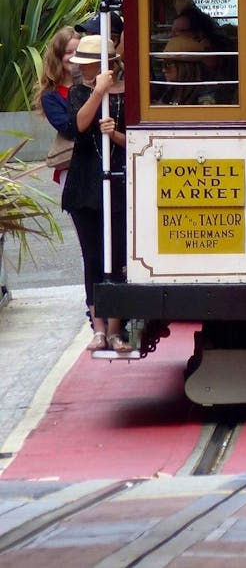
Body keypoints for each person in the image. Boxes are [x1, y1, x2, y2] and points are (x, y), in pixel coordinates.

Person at [63, 33, 129, 353]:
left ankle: (117, 327)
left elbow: (138, 141)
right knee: (92, 257)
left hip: (119, 181)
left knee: (117, 255)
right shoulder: (80, 92)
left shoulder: (130, 93)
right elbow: (78, 125)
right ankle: (98, 327)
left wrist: (114, 133)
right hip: (85, 183)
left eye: (87, 65)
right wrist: (98, 91)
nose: (83, 71)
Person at [32, 26, 80, 183]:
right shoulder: (50, 96)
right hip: (72, 168)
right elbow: (69, 129)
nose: (74, 57)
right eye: (68, 52)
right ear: (58, 57)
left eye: (78, 52)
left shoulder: (96, 83)